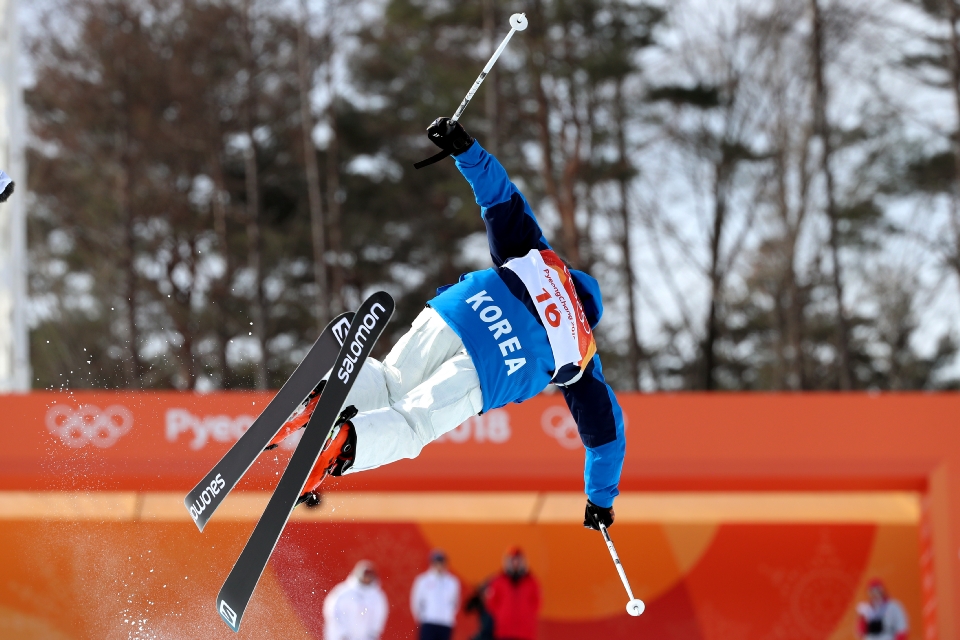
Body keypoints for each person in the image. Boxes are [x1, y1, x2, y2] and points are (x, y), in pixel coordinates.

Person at [272, 117, 625, 531]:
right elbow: (606, 436)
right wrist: (600, 500)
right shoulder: (583, 352)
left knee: (390, 381)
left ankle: (322, 398)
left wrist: (464, 148)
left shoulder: (544, 260)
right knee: (412, 422)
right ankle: (343, 446)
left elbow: (500, 198)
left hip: (459, 311)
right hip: (498, 364)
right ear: (592, 316)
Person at [323, 560, 389, 640]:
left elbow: (379, 616)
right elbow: (333, 612)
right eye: (364, 575)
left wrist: (373, 633)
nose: (366, 578)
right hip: (342, 637)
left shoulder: (377, 596)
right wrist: (341, 632)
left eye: (369, 576)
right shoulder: (343, 592)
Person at [484, 547, 540, 640]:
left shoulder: (531, 582)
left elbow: (537, 603)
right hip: (504, 631)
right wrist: (501, 614)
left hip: (525, 632)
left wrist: (526, 613)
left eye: (518, 561)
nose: (515, 563)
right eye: (512, 561)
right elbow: (491, 603)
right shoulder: (498, 581)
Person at [410, 549, 461, 640]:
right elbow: (416, 601)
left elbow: (455, 602)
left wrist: (448, 615)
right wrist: (422, 617)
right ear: (431, 563)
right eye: (436, 562)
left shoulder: (452, 582)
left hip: (445, 623)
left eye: (441, 562)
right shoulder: (423, 580)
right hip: (428, 621)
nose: (439, 565)